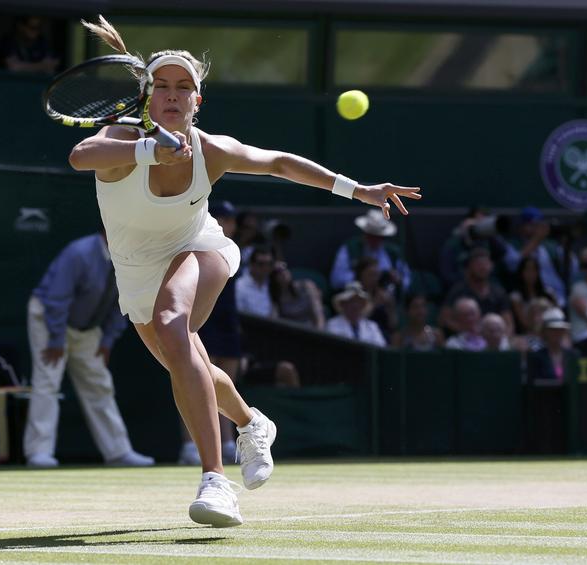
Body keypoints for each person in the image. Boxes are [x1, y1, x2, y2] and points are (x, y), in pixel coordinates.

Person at [67, 16, 419, 527]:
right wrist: (148, 149)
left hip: (198, 247)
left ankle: (215, 481)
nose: (172, 94)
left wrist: (357, 189)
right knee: (186, 364)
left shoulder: (212, 150)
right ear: (146, 98)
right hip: (136, 271)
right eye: (161, 86)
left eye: (183, 87)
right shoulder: (121, 140)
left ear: (197, 101)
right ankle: (252, 423)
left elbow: (278, 163)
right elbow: (81, 155)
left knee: (173, 323)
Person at [24, 231, 155, 469]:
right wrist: (56, 341)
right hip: (49, 320)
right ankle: (38, 452)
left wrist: (107, 341)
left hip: (87, 329)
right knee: (48, 381)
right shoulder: (79, 253)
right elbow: (56, 299)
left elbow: (123, 302)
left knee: (99, 384)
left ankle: (118, 452)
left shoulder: (129, 257)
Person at [186, 200, 243, 466]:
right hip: (202, 322)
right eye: (222, 218)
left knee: (225, 383)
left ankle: (229, 442)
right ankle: (190, 445)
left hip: (228, 325)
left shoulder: (233, 252)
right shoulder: (196, 249)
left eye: (230, 220)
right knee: (194, 380)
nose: (227, 224)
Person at [501, 206, 577, 307]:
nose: (536, 228)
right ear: (521, 226)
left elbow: (574, 268)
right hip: (529, 301)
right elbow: (512, 264)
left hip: (558, 299)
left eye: (539, 224)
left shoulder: (551, 246)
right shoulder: (513, 245)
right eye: (532, 224)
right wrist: (536, 239)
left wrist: (565, 244)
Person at [330, 209, 411, 294]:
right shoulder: (350, 248)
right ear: (365, 233)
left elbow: (407, 280)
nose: (375, 240)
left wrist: (396, 279)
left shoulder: (393, 252)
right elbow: (336, 280)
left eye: (378, 237)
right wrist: (361, 278)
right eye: (371, 236)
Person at [440, 247, 514, 335]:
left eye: (485, 263)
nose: (482, 267)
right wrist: (468, 331)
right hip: (465, 339)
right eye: (478, 264)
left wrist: (498, 337)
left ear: (491, 266)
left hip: (493, 339)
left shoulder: (498, 292)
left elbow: (508, 324)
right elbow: (444, 320)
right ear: (469, 267)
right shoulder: (458, 291)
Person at [325, 282, 387, 347]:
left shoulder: (372, 327)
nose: (355, 305)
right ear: (343, 304)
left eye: (359, 302)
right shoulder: (332, 325)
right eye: (351, 301)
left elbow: (380, 348)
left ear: (363, 305)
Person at [527, 308, 577, 384]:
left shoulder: (573, 355)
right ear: (545, 332)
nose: (557, 333)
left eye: (560, 329)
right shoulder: (536, 357)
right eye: (552, 330)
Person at [268, 261, 325, 329]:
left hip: (311, 329)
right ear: (273, 278)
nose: (283, 272)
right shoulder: (275, 296)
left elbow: (318, 314)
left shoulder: (306, 286)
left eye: (285, 268)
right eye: (278, 272)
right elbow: (274, 319)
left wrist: (318, 332)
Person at [509, 256, 558, 335]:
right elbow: (524, 323)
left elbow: (557, 315)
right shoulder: (516, 297)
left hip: (550, 332)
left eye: (534, 269)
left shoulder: (549, 293)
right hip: (529, 334)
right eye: (528, 269)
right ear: (521, 272)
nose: (531, 273)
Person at [355, 257, 398, 340]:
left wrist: (391, 306)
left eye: (376, 275)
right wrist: (374, 303)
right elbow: (356, 320)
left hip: (381, 336)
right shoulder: (354, 293)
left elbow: (393, 325)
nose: (374, 279)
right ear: (360, 275)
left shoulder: (382, 293)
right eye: (370, 274)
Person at [235, 246, 274, 317]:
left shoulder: (271, 283)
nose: (266, 268)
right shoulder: (239, 286)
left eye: (269, 263)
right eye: (261, 264)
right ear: (251, 264)